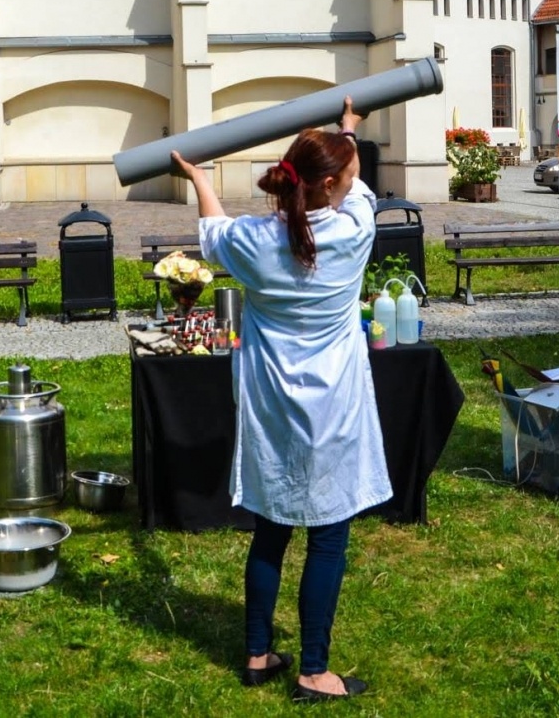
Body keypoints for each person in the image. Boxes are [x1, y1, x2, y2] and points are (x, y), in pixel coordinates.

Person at [169, 96, 387, 703]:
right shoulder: (353, 229)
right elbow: (358, 187)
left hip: (271, 405)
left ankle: (258, 654)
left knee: (271, 529)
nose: (349, 184)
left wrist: (200, 178)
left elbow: (212, 234)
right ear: (330, 186)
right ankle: (314, 671)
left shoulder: (256, 241)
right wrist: (348, 131)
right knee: (327, 535)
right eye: (342, 177)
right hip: (334, 407)